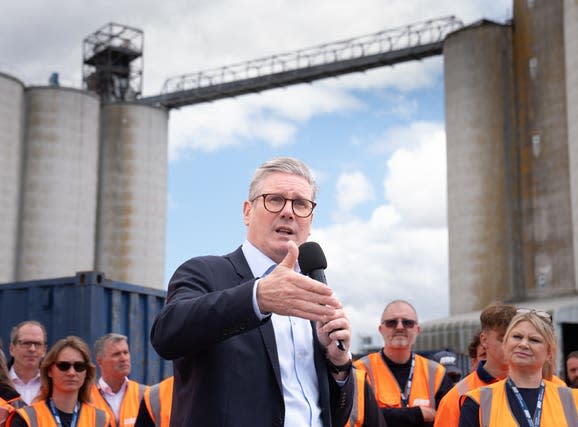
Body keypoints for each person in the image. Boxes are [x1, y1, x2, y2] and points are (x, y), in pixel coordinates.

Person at [150, 157, 354, 426]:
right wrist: (257, 297)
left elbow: (331, 415)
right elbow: (167, 334)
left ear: (311, 220)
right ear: (247, 211)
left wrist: (339, 365)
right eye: (275, 199)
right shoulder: (205, 272)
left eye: (300, 204)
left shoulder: (314, 299)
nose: (288, 212)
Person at [459, 309, 578, 426]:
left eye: (534, 340)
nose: (524, 344)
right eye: (517, 337)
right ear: (505, 344)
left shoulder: (574, 402)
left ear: (549, 352)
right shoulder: (477, 402)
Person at [354, 300, 452, 426]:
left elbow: (448, 418)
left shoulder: (436, 372)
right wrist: (418, 414)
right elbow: (359, 417)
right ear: (381, 329)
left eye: (407, 323)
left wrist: (385, 414)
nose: (400, 327)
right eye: (391, 323)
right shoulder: (360, 370)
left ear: (417, 330)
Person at [434, 302, 516, 427]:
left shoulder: (545, 387)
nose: (511, 345)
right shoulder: (455, 398)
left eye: (515, 337)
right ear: (484, 340)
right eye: (502, 339)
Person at [6, 336, 109, 427]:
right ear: (50, 371)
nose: (71, 372)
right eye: (63, 366)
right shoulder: (27, 418)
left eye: (79, 366)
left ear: (86, 372)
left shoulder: (100, 420)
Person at [90, 334, 147, 427]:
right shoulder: (86, 398)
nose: (124, 358)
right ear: (100, 361)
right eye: (116, 354)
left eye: (126, 352)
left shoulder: (145, 394)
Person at [7, 321, 47, 405]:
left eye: (38, 344)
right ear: (11, 349)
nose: (32, 349)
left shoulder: (54, 384)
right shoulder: (2, 381)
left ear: (44, 350)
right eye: (26, 343)